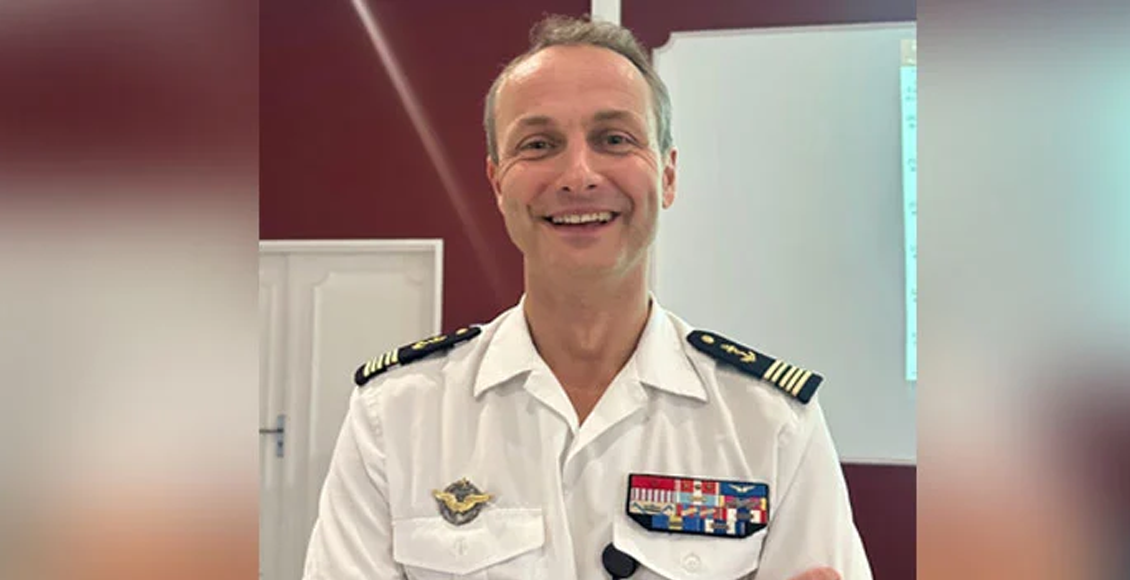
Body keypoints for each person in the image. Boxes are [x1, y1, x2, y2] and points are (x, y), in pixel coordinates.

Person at [302, 14, 871, 580]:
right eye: (539, 144)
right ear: (498, 183)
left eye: (614, 139)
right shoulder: (395, 415)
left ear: (668, 175)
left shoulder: (771, 424)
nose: (578, 175)